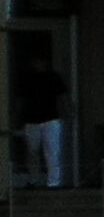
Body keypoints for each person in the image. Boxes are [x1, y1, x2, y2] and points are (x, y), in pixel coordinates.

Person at [18, 55, 67, 188]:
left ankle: (53, 182)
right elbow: (21, 99)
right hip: (33, 120)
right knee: (33, 151)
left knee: (51, 151)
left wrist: (66, 111)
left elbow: (62, 96)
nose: (37, 64)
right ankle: (34, 179)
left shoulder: (53, 77)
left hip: (49, 119)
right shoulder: (28, 78)